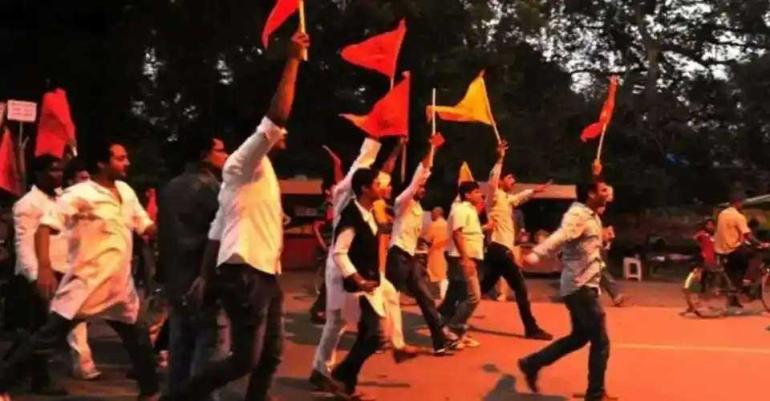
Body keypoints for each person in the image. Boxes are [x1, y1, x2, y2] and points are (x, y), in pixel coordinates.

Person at [161, 31, 309, 401]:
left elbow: (216, 231)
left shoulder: (259, 174)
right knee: (245, 359)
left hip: (264, 273)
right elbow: (277, 115)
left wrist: (204, 278)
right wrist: (293, 60)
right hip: (245, 273)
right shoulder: (243, 163)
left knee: (270, 354)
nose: (285, 132)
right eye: (277, 132)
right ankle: (180, 397)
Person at [0, 141, 162, 401]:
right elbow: (45, 227)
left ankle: (150, 393)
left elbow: (144, 226)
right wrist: (43, 269)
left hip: (119, 286)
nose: (127, 163)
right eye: (120, 158)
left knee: (139, 341)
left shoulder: (125, 191)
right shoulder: (79, 194)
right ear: (102, 163)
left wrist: (172, 225)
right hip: (86, 282)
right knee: (45, 339)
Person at [518, 180, 615, 401]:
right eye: (603, 191)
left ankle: (532, 363)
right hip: (580, 287)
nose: (608, 194)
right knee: (601, 342)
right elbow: (560, 236)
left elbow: (586, 242)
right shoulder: (577, 215)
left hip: (583, 285)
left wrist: (603, 237)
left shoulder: (590, 214)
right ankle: (595, 394)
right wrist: (536, 254)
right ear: (591, 194)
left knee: (579, 337)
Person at [157, 135, 230, 401]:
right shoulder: (214, 190)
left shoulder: (170, 188)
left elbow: (163, 237)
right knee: (209, 354)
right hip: (204, 281)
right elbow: (219, 237)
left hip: (176, 281)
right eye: (220, 150)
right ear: (204, 155)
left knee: (180, 352)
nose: (226, 155)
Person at [385, 133, 460, 356]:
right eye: (420, 187)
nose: (423, 189)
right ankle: (376, 337)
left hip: (410, 258)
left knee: (426, 299)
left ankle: (439, 343)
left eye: (424, 187)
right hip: (397, 257)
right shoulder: (402, 202)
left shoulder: (418, 209)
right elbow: (420, 176)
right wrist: (432, 150)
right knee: (387, 299)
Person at [482, 140, 552, 340]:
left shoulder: (506, 198)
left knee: (481, 288)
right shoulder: (493, 195)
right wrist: (500, 158)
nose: (513, 180)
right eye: (510, 177)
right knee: (520, 288)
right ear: (501, 181)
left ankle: (450, 313)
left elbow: (520, 197)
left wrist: (536, 190)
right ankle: (531, 328)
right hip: (499, 249)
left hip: (498, 250)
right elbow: (492, 181)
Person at [329, 168, 388, 400]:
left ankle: (346, 385)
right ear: (364, 188)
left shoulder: (369, 214)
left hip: (371, 286)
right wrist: (359, 280)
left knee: (367, 336)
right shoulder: (351, 216)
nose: (381, 188)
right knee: (374, 337)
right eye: (377, 184)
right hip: (358, 288)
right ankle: (340, 374)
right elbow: (339, 252)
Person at [438, 181, 486, 347]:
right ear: (467, 195)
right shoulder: (460, 209)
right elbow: (457, 234)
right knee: (474, 297)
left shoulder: (469, 210)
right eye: (476, 192)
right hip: (462, 258)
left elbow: (469, 232)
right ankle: (453, 328)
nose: (480, 194)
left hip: (468, 257)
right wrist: (466, 259)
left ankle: (453, 332)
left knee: (458, 295)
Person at [714, 193, 768, 308]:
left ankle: (733, 300)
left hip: (721, 250)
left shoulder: (722, 214)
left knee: (735, 271)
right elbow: (747, 234)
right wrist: (761, 244)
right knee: (757, 256)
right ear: (738, 203)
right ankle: (747, 279)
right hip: (733, 248)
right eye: (742, 203)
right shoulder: (738, 217)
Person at [423, 207, 449, 301]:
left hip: (435, 254)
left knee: (435, 275)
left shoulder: (434, 225)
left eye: (432, 214)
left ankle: (440, 296)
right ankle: (443, 296)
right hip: (446, 253)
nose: (431, 216)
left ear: (437, 214)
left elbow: (427, 239)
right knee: (443, 275)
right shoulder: (447, 224)